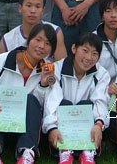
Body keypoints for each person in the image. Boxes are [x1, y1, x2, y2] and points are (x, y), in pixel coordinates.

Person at [0, 24, 59, 164]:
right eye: (38, 40)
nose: (41, 46)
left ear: (51, 49)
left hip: (25, 131)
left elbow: (43, 107)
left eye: (47, 43)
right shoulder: (1, 61)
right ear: (29, 40)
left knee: (30, 99)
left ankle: (27, 153)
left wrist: (43, 85)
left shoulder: (47, 70)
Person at [44, 33, 110, 164]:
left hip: (87, 125)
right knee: (64, 103)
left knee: (86, 104)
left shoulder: (102, 74)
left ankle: (88, 151)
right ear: (74, 48)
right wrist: (51, 127)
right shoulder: (56, 69)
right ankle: (64, 150)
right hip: (61, 124)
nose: (89, 58)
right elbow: (52, 100)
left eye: (94, 54)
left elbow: (100, 101)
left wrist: (99, 124)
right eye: (85, 50)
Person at [0, 0, 67, 62]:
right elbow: (3, 67)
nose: (33, 11)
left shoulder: (55, 32)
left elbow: (62, 65)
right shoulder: (7, 40)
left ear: (43, 10)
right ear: (20, 8)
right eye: (29, 5)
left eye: (37, 7)